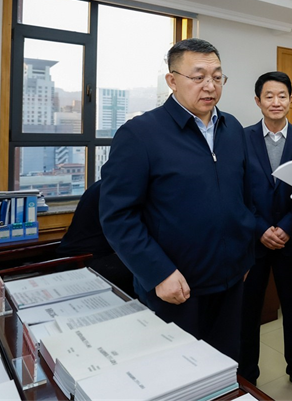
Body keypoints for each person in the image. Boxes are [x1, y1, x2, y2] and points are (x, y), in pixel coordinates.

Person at [100, 38, 256, 360]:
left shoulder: (232, 129)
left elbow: (245, 198)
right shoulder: (141, 133)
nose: (210, 86)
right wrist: (158, 272)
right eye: (198, 77)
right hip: (174, 287)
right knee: (177, 371)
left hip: (230, 282)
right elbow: (117, 215)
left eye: (217, 77)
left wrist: (244, 256)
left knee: (225, 366)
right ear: (172, 80)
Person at [239, 71, 292, 399]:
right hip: (252, 241)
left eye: (282, 95)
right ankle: (246, 373)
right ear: (258, 101)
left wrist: (286, 227)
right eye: (269, 96)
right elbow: (236, 191)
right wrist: (260, 229)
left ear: (290, 99)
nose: (276, 102)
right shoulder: (240, 139)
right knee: (248, 310)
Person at [56, 180, 135, 297]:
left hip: (73, 257)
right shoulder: (119, 191)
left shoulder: (104, 185)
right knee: (146, 271)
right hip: (85, 261)